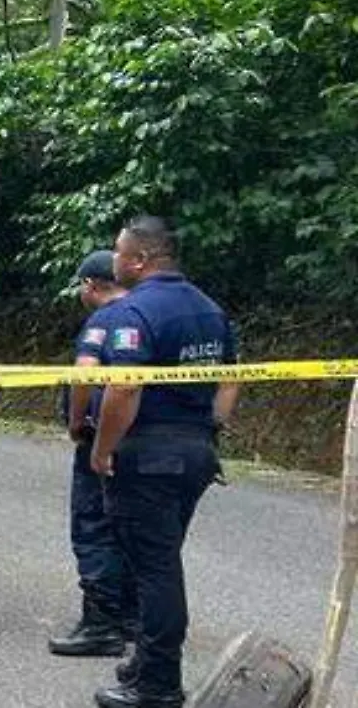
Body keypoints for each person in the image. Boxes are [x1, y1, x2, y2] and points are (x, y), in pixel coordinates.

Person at [90, 217, 239, 708]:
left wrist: (103, 448)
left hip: (148, 454)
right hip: (193, 451)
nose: (113, 260)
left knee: (155, 569)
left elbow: (125, 386)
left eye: (118, 252)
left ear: (139, 260)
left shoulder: (134, 313)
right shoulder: (209, 308)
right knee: (156, 559)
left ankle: (158, 685)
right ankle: (143, 665)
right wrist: (208, 429)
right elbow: (233, 377)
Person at [49, 249, 138, 657]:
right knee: (130, 530)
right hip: (143, 440)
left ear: (90, 285)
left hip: (101, 438)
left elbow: (87, 376)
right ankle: (132, 618)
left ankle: (101, 624)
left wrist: (76, 420)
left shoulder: (104, 320)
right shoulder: (144, 314)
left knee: (93, 528)